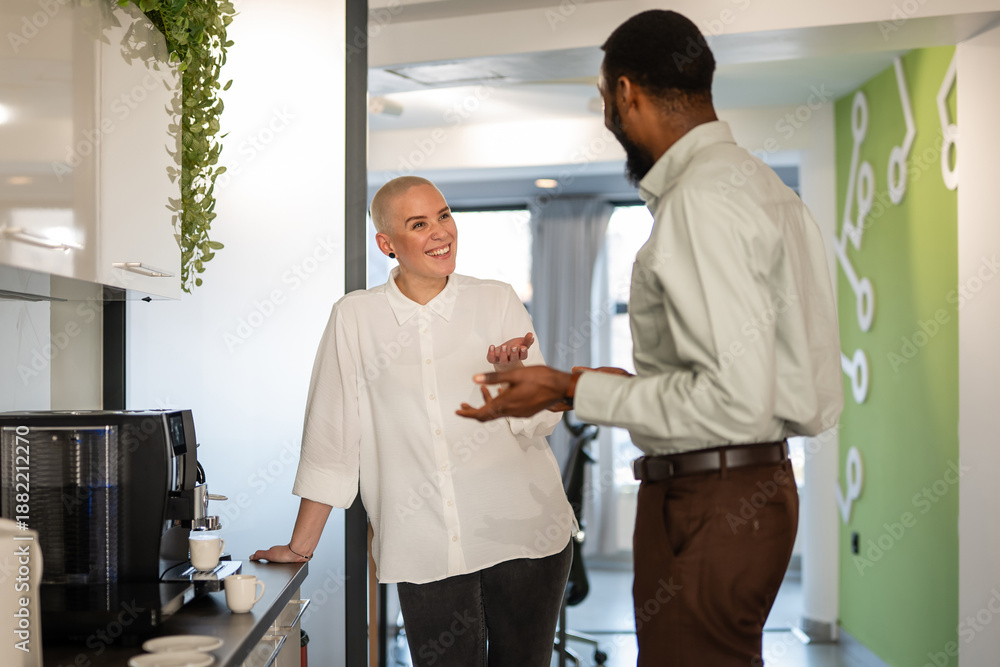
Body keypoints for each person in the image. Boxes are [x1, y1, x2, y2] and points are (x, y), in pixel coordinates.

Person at [457, 10, 843, 667]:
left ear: (626, 93)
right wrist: (578, 386)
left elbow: (731, 400)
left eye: (604, 99)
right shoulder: (764, 189)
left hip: (708, 507)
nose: (607, 117)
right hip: (753, 493)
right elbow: (765, 385)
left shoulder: (702, 200)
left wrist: (571, 386)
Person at [251, 176, 574, 667]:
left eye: (443, 215)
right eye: (418, 224)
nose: (440, 232)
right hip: (422, 544)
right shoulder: (355, 318)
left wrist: (516, 382)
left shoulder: (496, 299)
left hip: (525, 535)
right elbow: (333, 438)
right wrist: (300, 549)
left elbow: (541, 424)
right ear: (387, 243)